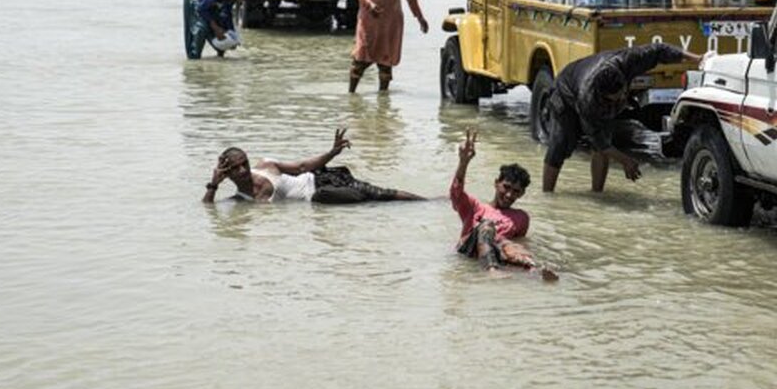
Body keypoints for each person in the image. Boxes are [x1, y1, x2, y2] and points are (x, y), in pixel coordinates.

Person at [541, 43, 702, 193]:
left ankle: (597, 195)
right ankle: (547, 195)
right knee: (560, 144)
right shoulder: (588, 99)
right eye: (614, 99)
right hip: (565, 93)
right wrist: (625, 160)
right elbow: (598, 140)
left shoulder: (627, 61)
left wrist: (697, 58)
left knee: (605, 139)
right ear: (603, 95)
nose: (620, 101)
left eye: (622, 96)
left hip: (592, 85)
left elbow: (660, 50)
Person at [202, 128, 425, 204]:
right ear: (227, 173)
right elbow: (209, 211)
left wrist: (332, 152)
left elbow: (302, 167)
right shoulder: (241, 201)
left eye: (244, 164)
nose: (242, 170)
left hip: (323, 183)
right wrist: (213, 185)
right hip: (325, 197)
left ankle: (429, 202)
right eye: (235, 168)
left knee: (381, 195)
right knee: (372, 201)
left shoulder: (266, 165)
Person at [450, 128, 557, 280]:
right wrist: (463, 162)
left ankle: (536, 270)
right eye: (506, 187)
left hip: (497, 250)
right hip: (468, 250)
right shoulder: (475, 207)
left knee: (509, 244)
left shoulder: (521, 218)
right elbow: (456, 192)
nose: (509, 195)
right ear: (496, 183)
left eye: (515, 191)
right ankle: (491, 270)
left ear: (521, 194)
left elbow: (518, 242)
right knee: (487, 226)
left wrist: (522, 254)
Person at [181, 0, 259, 59]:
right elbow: (201, 8)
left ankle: (220, 54)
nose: (240, 3)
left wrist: (232, 35)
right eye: (241, 1)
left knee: (220, 22)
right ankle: (194, 59)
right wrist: (215, 27)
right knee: (201, 27)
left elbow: (227, 13)